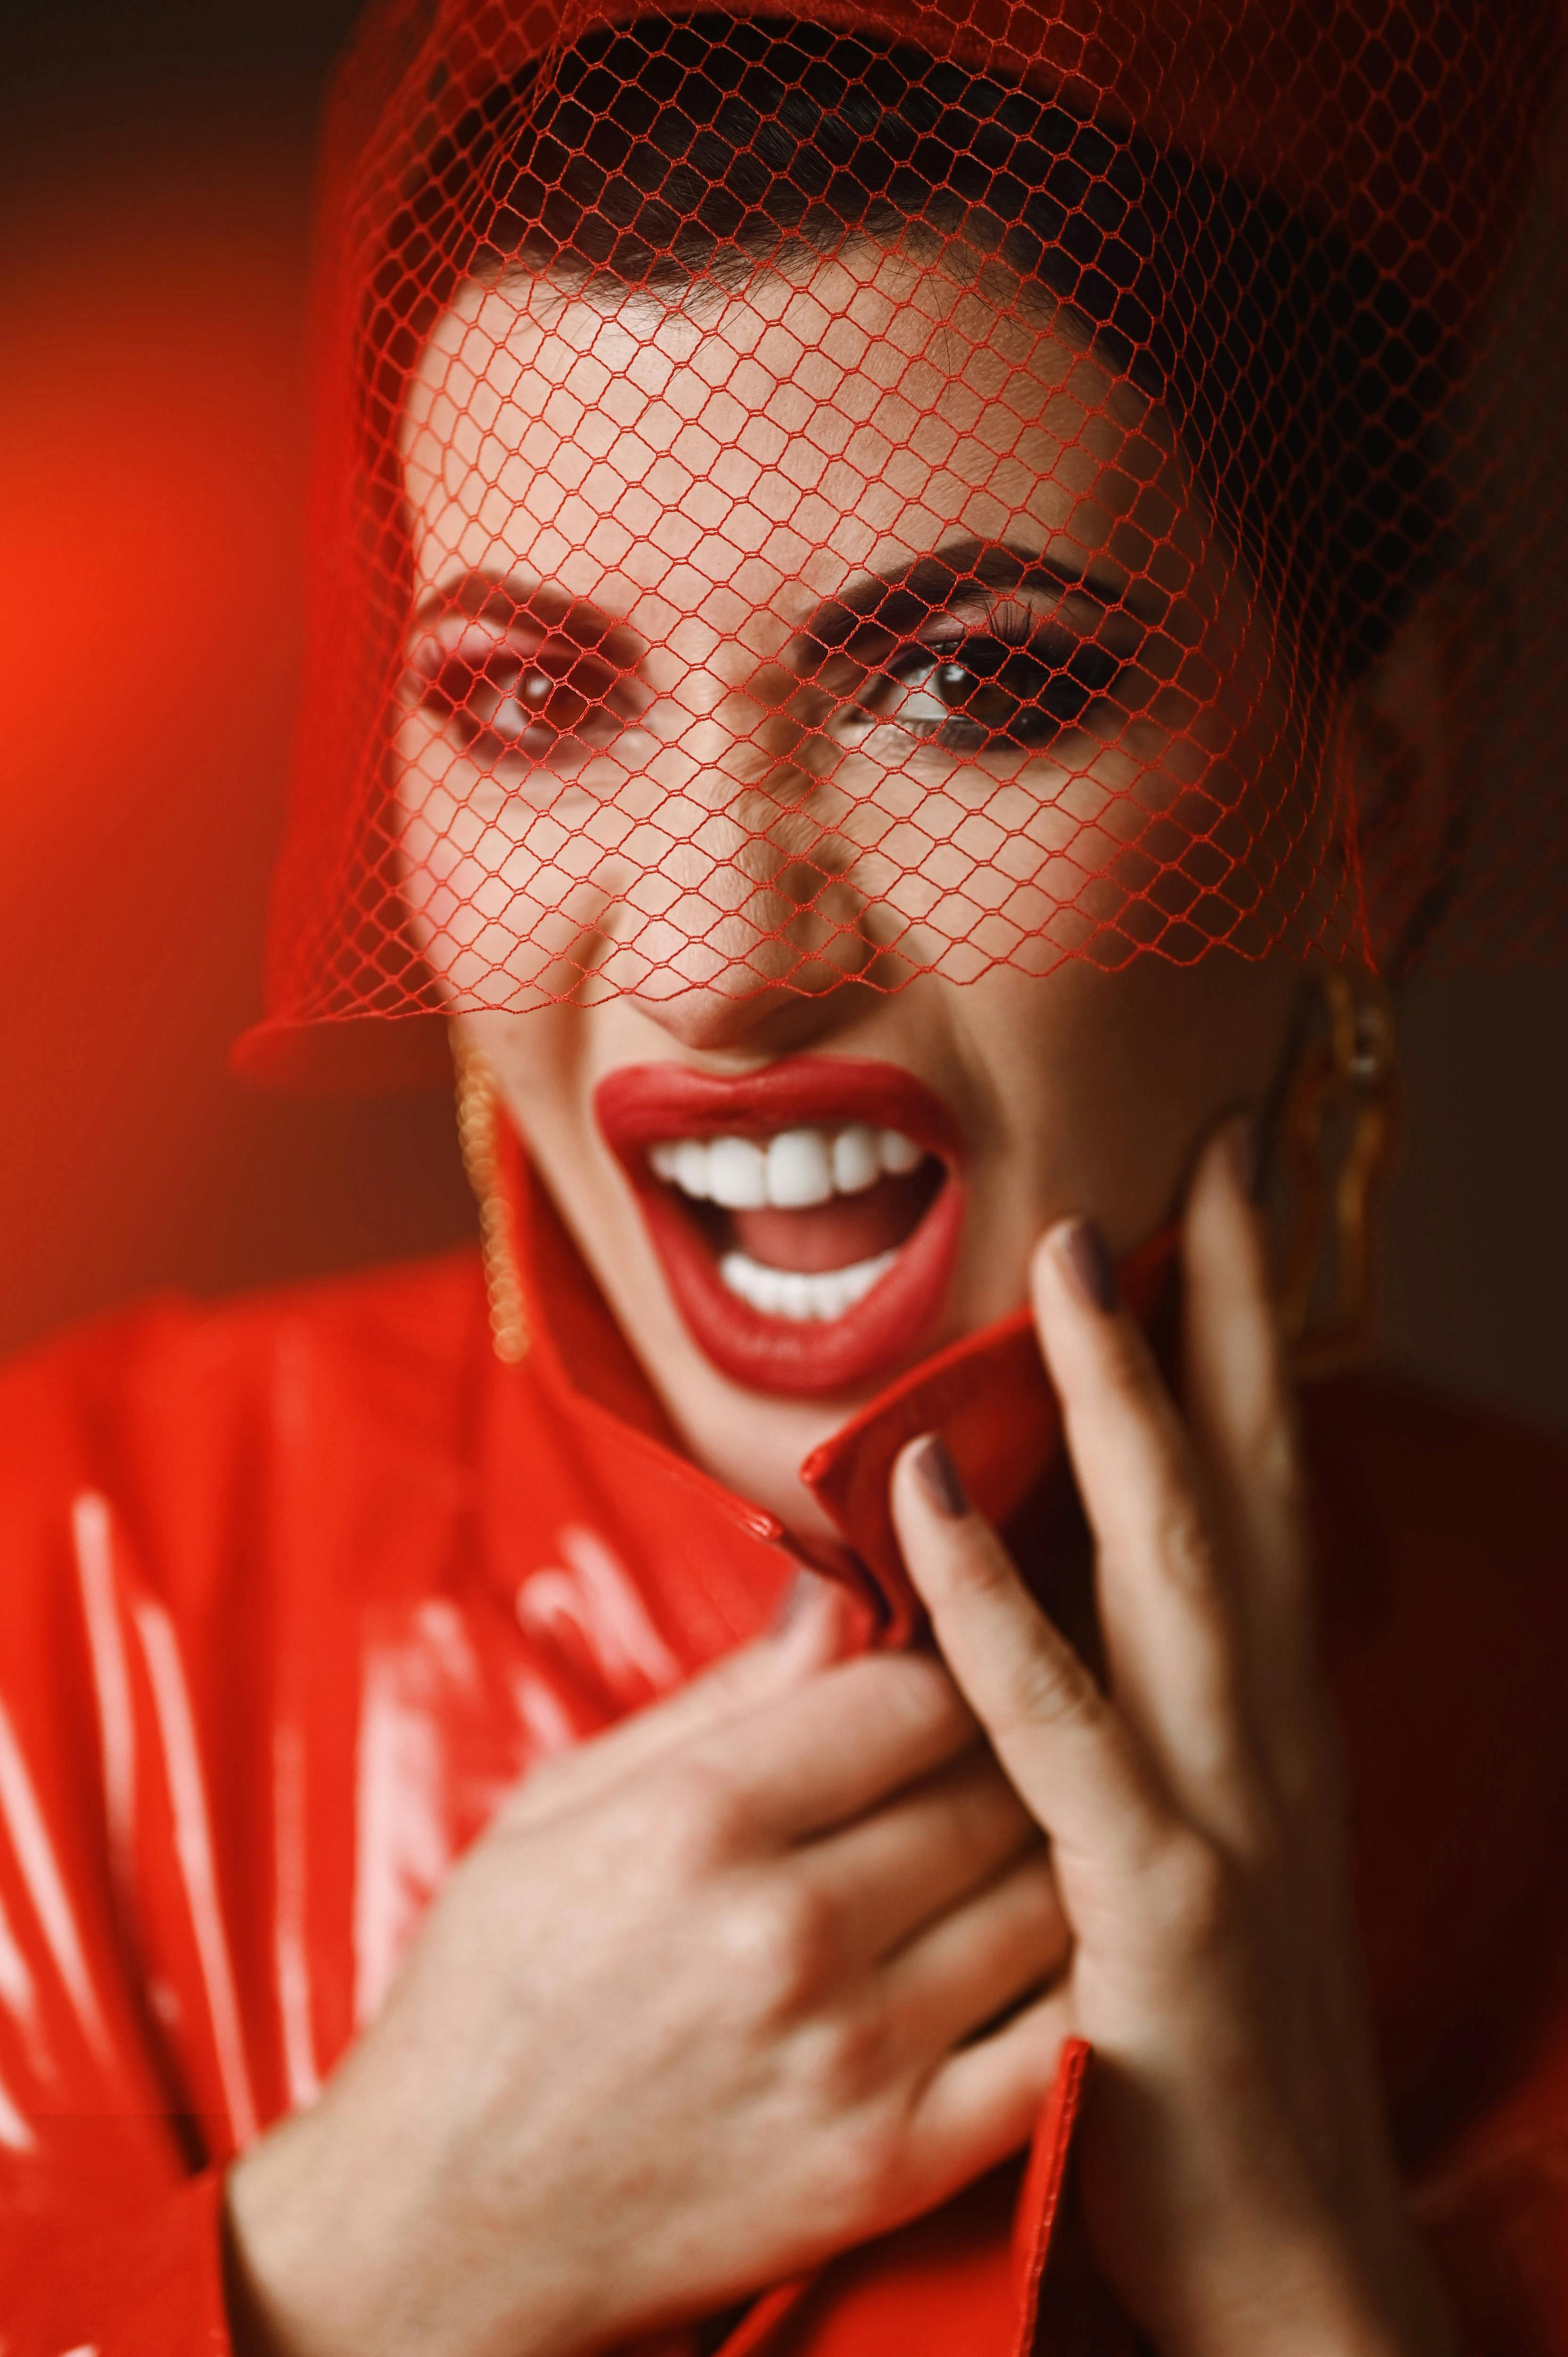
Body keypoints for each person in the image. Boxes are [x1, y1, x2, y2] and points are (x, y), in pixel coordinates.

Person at [3, 6, 1568, 2353]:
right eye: (535, 697)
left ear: (1384, 780)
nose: (718, 957)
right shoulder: (56, 1602)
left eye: (972, 685)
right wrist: (361, 2255)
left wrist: (1294, 2263)